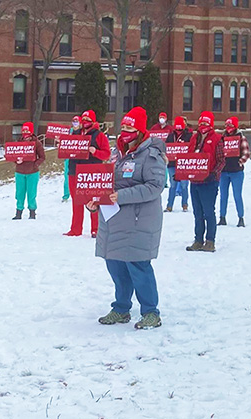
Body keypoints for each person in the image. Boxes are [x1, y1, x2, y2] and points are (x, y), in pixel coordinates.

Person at [88, 106, 166, 330]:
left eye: (130, 128)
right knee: (115, 265)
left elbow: (154, 186)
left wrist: (120, 196)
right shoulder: (117, 153)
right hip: (114, 220)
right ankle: (121, 308)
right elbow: (105, 182)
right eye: (123, 128)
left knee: (138, 265)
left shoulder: (151, 155)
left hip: (138, 221)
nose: (125, 132)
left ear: (140, 131)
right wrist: (95, 200)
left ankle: (150, 311)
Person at [64, 110, 111, 238]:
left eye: (88, 121)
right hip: (74, 171)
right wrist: (62, 144)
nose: (85, 123)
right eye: (83, 120)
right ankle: (75, 229)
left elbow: (107, 154)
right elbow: (68, 150)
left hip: (91, 172)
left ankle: (95, 229)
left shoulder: (99, 135)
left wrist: (95, 151)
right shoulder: (76, 133)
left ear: (93, 122)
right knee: (76, 201)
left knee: (93, 200)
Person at [186, 111, 225, 252]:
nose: (203, 125)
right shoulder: (194, 138)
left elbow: (221, 161)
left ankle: (210, 241)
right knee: (197, 213)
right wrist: (182, 173)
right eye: (201, 122)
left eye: (206, 123)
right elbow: (188, 157)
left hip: (209, 182)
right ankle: (198, 240)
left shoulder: (217, 139)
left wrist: (213, 174)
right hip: (194, 182)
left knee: (208, 212)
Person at [218, 117, 250, 228]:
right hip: (224, 172)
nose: (228, 128)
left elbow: (246, 154)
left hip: (237, 172)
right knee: (223, 196)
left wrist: (240, 162)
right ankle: (222, 217)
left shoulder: (241, 138)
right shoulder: (222, 138)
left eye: (230, 126)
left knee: (237, 195)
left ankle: (240, 218)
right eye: (227, 125)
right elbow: (218, 153)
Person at [11, 122, 46, 220]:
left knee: (32, 193)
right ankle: (19, 212)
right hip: (20, 172)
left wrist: (35, 164)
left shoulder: (37, 143)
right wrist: (16, 161)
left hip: (32, 172)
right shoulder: (19, 142)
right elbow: (13, 155)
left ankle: (32, 212)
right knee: (19, 193)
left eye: (27, 130)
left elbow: (42, 157)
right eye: (24, 130)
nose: (25, 132)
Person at [165, 116, 192, 212]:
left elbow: (191, 148)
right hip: (172, 164)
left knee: (184, 185)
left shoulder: (189, 135)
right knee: (173, 185)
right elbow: (166, 148)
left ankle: (185, 205)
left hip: (184, 164)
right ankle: (169, 206)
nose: (178, 129)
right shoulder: (170, 136)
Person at [62, 115, 81, 203]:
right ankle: (66, 195)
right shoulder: (68, 132)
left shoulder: (82, 132)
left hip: (79, 158)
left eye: (77, 121)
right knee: (67, 177)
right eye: (74, 121)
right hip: (69, 158)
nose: (75, 123)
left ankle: (78, 194)